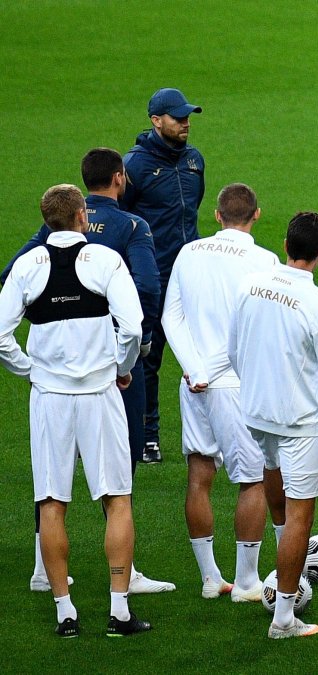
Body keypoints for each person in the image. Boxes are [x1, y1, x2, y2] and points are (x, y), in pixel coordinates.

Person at [2, 148, 175, 594]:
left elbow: (8, 287)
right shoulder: (128, 231)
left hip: (50, 392)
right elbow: (145, 297)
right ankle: (122, 591)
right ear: (119, 178)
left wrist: (31, 369)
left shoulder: (34, 254)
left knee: (52, 495)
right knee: (118, 490)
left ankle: (54, 589)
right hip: (104, 382)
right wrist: (127, 361)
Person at [229, 211, 318, 639]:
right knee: (303, 513)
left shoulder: (249, 284)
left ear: (284, 244)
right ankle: (284, 618)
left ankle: (284, 554)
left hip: (254, 411)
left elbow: (233, 346)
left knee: (270, 470)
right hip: (298, 421)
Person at [162, 183, 279, 602]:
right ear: (256, 215)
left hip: (192, 384)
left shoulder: (188, 252)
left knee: (199, 476)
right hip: (234, 385)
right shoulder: (264, 261)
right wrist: (211, 370)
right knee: (251, 482)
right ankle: (246, 581)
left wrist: (195, 370)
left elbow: (170, 317)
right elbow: (250, 331)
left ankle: (211, 578)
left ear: (216, 216)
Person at [120, 87, 205, 464]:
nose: (185, 123)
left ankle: (209, 435)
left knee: (204, 354)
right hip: (152, 278)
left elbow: (192, 214)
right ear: (156, 121)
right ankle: (147, 436)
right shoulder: (134, 167)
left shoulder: (194, 161)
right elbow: (121, 219)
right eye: (178, 117)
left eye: (188, 116)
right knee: (147, 357)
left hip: (191, 276)